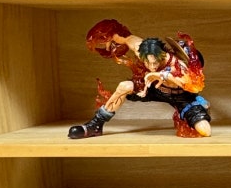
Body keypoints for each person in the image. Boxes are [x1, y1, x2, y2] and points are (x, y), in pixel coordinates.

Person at [67, 19, 211, 139]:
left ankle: (190, 113)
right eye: (148, 63)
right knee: (124, 86)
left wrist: (162, 75)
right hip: (153, 88)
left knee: (205, 131)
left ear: (162, 56)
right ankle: (96, 124)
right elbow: (124, 37)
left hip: (182, 98)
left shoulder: (177, 64)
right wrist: (107, 37)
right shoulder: (141, 48)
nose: (152, 67)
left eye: (155, 63)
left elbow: (193, 85)